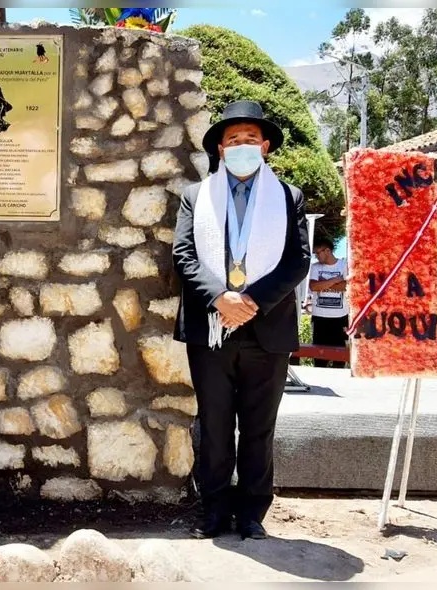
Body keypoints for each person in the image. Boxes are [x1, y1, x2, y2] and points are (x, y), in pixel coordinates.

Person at [173, 100, 310, 540]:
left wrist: (251, 301)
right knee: (214, 425)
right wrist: (220, 299)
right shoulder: (196, 196)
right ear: (220, 148)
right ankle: (213, 509)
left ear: (265, 146)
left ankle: (252, 513)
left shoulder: (289, 197)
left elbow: (297, 261)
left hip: (266, 328)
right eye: (233, 140)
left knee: (258, 427)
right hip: (211, 329)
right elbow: (184, 255)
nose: (242, 146)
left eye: (251, 139)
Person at [308, 238, 349, 368]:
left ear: (327, 251)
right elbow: (313, 287)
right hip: (320, 318)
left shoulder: (344, 265)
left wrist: (324, 284)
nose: (316, 256)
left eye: (318, 253)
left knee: (340, 357)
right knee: (319, 358)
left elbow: (346, 286)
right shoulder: (315, 267)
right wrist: (336, 280)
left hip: (340, 318)